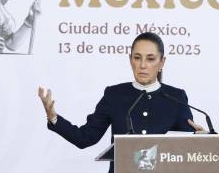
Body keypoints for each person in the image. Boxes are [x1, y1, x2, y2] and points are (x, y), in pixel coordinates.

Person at [38, 32, 206, 173]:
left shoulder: (176, 97)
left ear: (162, 63)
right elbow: (85, 138)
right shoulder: (114, 95)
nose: (142, 65)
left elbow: (185, 152)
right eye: (137, 57)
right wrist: (54, 118)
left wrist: (203, 141)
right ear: (130, 59)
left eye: (150, 59)